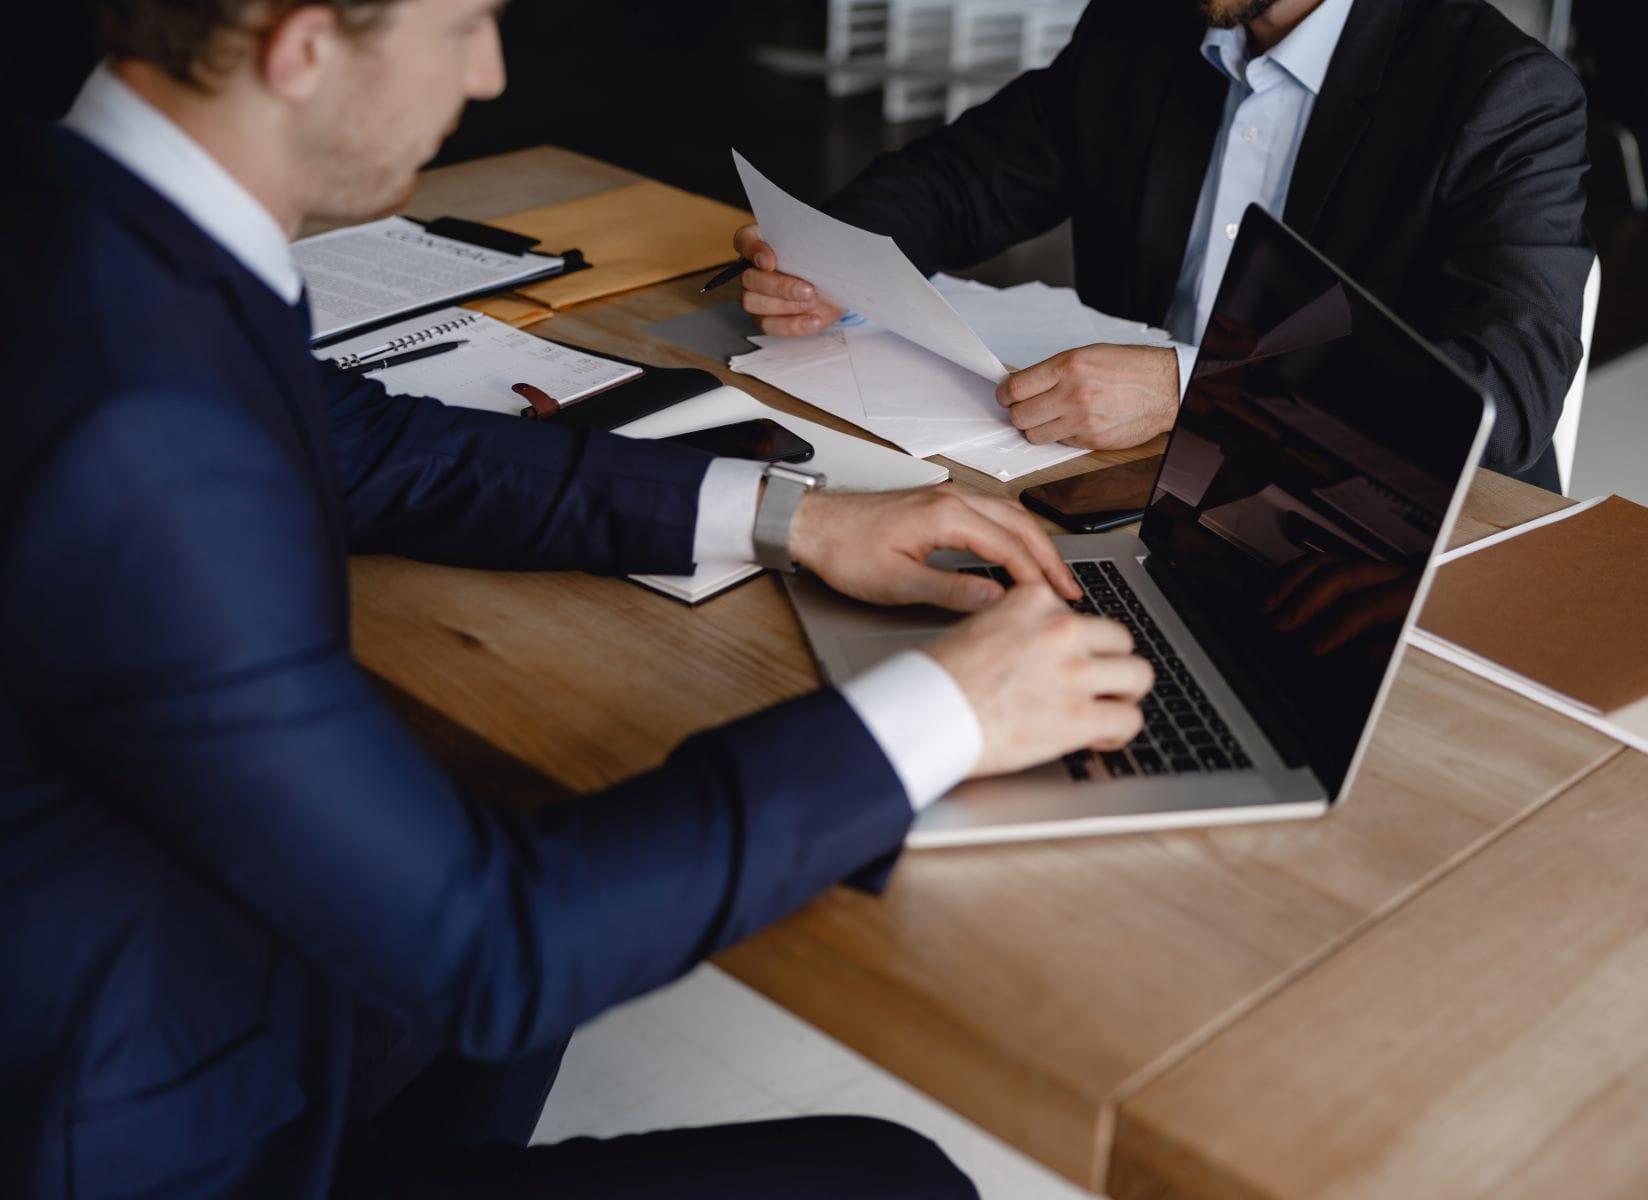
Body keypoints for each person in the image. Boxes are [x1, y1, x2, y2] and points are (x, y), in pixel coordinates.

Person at [0, 1, 1156, 1196]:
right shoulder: (141, 433)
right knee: (898, 1180)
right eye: (464, 25)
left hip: (160, 938)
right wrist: (945, 711)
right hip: (153, 1128)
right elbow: (492, 947)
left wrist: (798, 516)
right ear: (299, 46)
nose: (492, 71)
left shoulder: (88, 217)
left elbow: (374, 445)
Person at [737, 0, 1595, 491]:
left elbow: (1505, 399)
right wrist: (832, 256)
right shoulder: (1142, 26)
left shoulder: (1503, 92)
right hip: (1137, 481)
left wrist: (1200, 391)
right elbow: (965, 180)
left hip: (1371, 519)